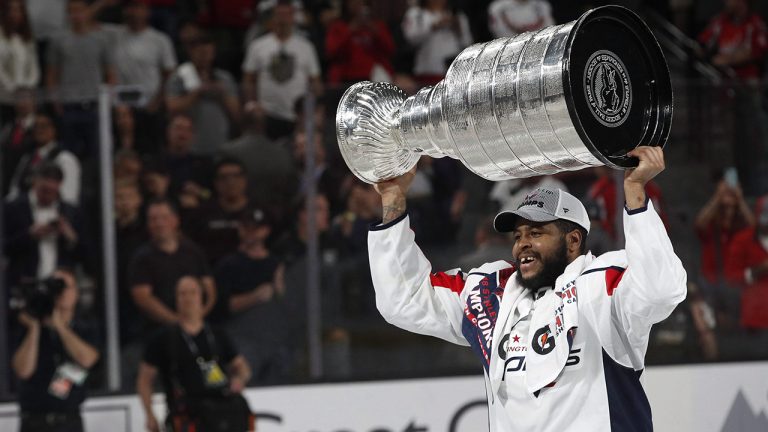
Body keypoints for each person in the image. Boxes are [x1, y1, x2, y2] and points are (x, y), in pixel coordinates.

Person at [368, 146, 686, 430]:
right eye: (518, 235)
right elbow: (405, 299)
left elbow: (661, 287)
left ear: (573, 240)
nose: (522, 245)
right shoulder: (489, 295)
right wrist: (393, 200)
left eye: (536, 232)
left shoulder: (602, 288)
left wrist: (634, 193)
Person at [137, 276, 252, 432]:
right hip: (186, 415)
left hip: (222, 412)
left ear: (201, 297)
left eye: (193, 292)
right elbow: (145, 380)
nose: (188, 298)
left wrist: (239, 379)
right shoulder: (163, 339)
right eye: (182, 293)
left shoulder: (217, 334)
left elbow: (242, 368)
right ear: (176, 299)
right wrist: (150, 415)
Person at [12, 268, 100, 432]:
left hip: (68, 420)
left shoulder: (85, 327)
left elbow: (88, 359)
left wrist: (60, 326)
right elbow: (23, 370)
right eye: (56, 287)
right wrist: (35, 327)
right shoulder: (30, 326)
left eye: (65, 287)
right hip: (34, 420)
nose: (61, 293)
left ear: (76, 293)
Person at [215, 208, 290, 383]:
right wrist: (254, 297)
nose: (251, 233)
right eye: (247, 227)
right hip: (241, 336)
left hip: (272, 336)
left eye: (256, 228)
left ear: (266, 231)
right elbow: (223, 307)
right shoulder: (229, 265)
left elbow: (287, 307)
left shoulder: (276, 264)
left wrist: (280, 290)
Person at [128, 199, 216, 334]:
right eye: (153, 219)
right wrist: (176, 321)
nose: (159, 223)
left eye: (164, 218)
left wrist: (197, 317)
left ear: (176, 220)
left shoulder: (193, 251)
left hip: (198, 326)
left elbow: (209, 288)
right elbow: (143, 298)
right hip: (158, 330)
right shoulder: (142, 258)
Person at [242, 0, 323, 140]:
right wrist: (251, 104)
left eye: (287, 15)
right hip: (267, 114)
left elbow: (315, 82)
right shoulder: (258, 46)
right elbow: (248, 79)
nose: (283, 19)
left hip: (297, 116)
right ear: (273, 17)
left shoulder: (306, 47)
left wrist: (316, 110)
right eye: (279, 15)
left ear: (293, 17)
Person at [46, 0, 117, 159]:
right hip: (68, 104)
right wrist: (55, 101)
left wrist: (109, 100)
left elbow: (110, 73)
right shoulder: (58, 40)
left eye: (79, 11)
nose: (76, 15)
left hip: (94, 104)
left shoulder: (101, 39)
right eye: (72, 11)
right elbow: (52, 74)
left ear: (87, 12)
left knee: (97, 152)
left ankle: (97, 183)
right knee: (68, 154)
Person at [3, 163, 83, 290]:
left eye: (53, 192)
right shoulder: (13, 208)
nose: (49, 197)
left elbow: (85, 255)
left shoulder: (70, 212)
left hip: (59, 285)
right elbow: (4, 247)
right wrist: (29, 235)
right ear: (35, 182)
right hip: (23, 284)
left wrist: (69, 235)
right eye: (45, 191)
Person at [165, 33, 240, 156]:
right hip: (190, 147)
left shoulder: (224, 78)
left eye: (208, 53)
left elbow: (236, 113)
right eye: (201, 53)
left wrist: (223, 95)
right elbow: (172, 107)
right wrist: (196, 93)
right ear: (191, 52)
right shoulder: (179, 77)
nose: (205, 57)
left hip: (219, 143)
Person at [7, 114, 81, 205]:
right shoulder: (26, 159)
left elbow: (69, 198)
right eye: (36, 127)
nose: (39, 130)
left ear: (54, 129)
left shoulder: (65, 159)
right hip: (22, 213)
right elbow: (14, 191)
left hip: (50, 214)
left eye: (44, 126)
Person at [324, 0, 395, 85]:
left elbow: (390, 50)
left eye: (361, 2)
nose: (358, 5)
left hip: (373, 76)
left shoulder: (377, 25)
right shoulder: (338, 26)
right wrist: (351, 29)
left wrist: (374, 30)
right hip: (346, 77)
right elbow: (332, 52)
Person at [401, 0, 473, 85]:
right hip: (427, 71)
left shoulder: (457, 14)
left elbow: (468, 43)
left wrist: (458, 29)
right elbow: (411, 38)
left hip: (454, 70)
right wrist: (434, 26)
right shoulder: (417, 14)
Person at [0, 0, 39, 104]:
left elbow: (33, 67)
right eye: (11, 10)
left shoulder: (27, 38)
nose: (14, 14)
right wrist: (12, 88)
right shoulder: (1, 37)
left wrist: (28, 86)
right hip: (5, 96)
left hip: (25, 96)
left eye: (18, 10)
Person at [487, 0, 554, 39]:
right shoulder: (498, 8)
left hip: (541, 46)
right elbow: (501, 35)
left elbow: (550, 30)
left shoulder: (541, 5)